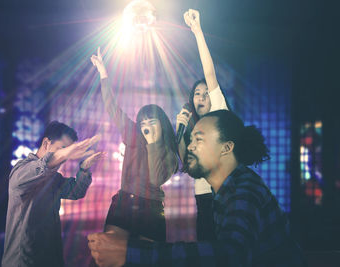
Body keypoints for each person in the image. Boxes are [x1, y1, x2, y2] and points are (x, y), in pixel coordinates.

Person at [88, 110, 306, 267]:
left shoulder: (244, 190)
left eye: (198, 139)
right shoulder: (225, 191)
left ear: (227, 148)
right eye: (191, 139)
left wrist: (130, 253)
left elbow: (232, 255)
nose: (190, 146)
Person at [90, 47, 179, 243]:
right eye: (143, 122)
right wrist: (103, 74)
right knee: (111, 258)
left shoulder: (169, 152)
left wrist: (153, 144)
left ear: (162, 124)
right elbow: (112, 108)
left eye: (152, 121)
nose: (146, 126)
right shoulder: (133, 135)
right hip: (124, 202)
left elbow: (156, 179)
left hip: (152, 209)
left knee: (147, 259)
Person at [2, 121, 103, 267]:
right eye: (62, 149)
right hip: (23, 261)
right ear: (46, 143)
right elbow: (41, 167)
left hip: (49, 257)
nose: (66, 157)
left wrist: (84, 169)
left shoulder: (53, 178)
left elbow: (76, 191)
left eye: (68, 152)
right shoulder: (21, 171)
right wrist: (64, 154)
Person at [176, 9, 229, 241]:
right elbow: (187, 166)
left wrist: (197, 31)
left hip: (224, 193)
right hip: (203, 197)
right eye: (197, 93)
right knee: (205, 248)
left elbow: (209, 71)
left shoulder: (219, 113)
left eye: (206, 92)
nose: (201, 96)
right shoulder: (193, 130)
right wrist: (179, 134)